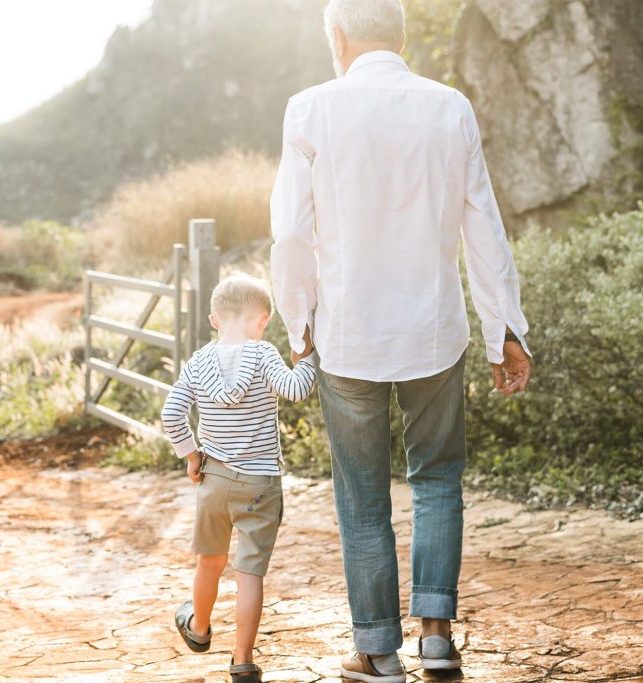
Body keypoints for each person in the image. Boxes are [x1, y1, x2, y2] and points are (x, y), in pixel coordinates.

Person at [269, 0, 533, 679]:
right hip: (433, 331)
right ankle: (438, 637)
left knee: (361, 496)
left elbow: (292, 235)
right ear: (402, 36)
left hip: (347, 335)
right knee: (438, 480)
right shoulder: (450, 109)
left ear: (338, 37)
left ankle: (377, 650)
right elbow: (484, 228)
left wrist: (298, 322)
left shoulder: (310, 109)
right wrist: (505, 329)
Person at [161, 273, 317, 683]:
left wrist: (191, 453)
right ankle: (243, 660)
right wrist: (308, 357)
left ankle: (198, 629)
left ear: (214, 319)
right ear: (263, 320)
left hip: (213, 481)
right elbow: (297, 389)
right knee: (249, 573)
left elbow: (171, 414)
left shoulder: (198, 362)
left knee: (209, 561)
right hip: (260, 485)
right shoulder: (264, 355)